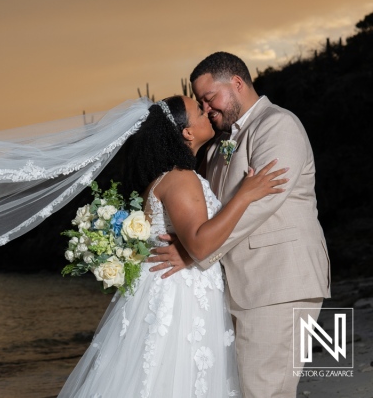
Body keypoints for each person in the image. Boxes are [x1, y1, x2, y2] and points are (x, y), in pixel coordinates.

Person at [59, 95, 287, 398]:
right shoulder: (181, 179)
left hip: (169, 285)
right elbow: (200, 243)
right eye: (198, 110)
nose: (207, 111)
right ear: (186, 132)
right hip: (180, 294)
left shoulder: (167, 178)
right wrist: (244, 195)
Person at [187, 52, 329, 398]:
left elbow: (260, 204)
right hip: (244, 286)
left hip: (279, 283)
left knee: (264, 391)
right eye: (202, 103)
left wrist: (197, 250)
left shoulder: (277, 125)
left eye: (210, 98)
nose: (207, 109)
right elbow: (216, 208)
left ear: (237, 83)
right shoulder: (224, 142)